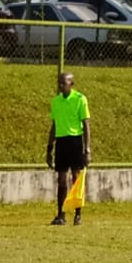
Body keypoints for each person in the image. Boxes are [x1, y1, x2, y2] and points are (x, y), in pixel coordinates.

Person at [46, 71, 91, 225]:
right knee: (61, 179)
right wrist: (49, 148)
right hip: (61, 141)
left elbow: (85, 125)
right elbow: (54, 125)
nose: (60, 86)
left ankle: (78, 215)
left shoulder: (80, 99)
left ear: (71, 84)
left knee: (76, 178)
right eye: (59, 83)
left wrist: (87, 149)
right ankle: (61, 214)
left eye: (63, 83)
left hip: (75, 141)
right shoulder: (56, 102)